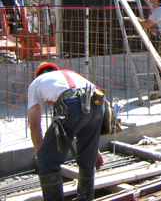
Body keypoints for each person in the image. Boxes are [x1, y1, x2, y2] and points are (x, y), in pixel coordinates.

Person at [28, 62, 105, 201]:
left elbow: (34, 126)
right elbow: (83, 113)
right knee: (88, 160)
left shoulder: (36, 83)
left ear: (38, 75)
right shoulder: (70, 74)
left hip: (71, 103)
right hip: (98, 103)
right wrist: (94, 151)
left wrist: (43, 157)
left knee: (47, 162)